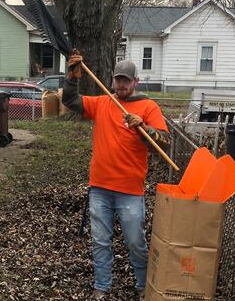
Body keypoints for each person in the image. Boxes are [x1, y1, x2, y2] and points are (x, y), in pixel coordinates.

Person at [62, 51, 170, 300]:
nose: (121, 84)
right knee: (100, 241)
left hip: (130, 191)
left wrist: (144, 127)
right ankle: (102, 286)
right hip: (99, 187)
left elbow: (164, 140)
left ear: (135, 82)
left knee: (135, 242)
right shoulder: (102, 103)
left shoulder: (148, 106)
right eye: (118, 79)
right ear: (112, 80)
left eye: (126, 80)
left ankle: (144, 286)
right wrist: (72, 78)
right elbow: (70, 100)